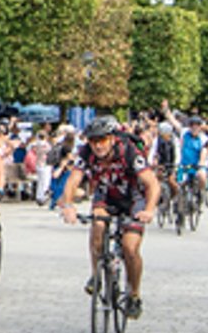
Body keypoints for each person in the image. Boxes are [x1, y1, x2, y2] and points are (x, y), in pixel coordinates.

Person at [57, 115, 161, 319]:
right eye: (93, 141)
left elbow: (152, 184)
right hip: (106, 195)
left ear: (112, 139)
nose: (97, 145)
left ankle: (134, 294)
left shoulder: (129, 152)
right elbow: (74, 180)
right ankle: (96, 276)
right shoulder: (86, 152)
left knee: (130, 248)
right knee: (97, 224)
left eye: (102, 140)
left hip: (133, 198)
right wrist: (68, 206)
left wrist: (149, 209)